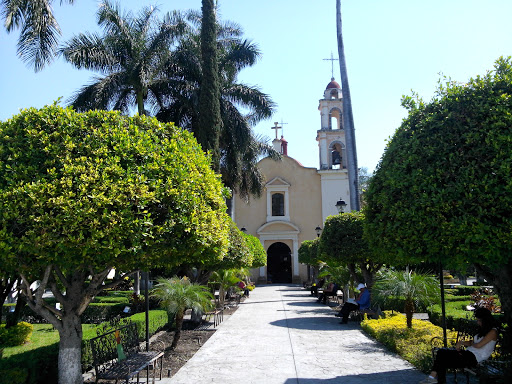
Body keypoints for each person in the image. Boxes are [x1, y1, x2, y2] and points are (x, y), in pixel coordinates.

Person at [419, 307, 498, 384]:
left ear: (485, 320)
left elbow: (478, 345)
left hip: (475, 358)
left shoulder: (493, 332)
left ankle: (433, 378)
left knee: (442, 356)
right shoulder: (483, 331)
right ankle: (433, 379)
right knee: (441, 355)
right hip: (468, 354)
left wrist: (471, 344)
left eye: (479, 320)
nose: (478, 323)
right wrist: (461, 342)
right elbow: (472, 343)